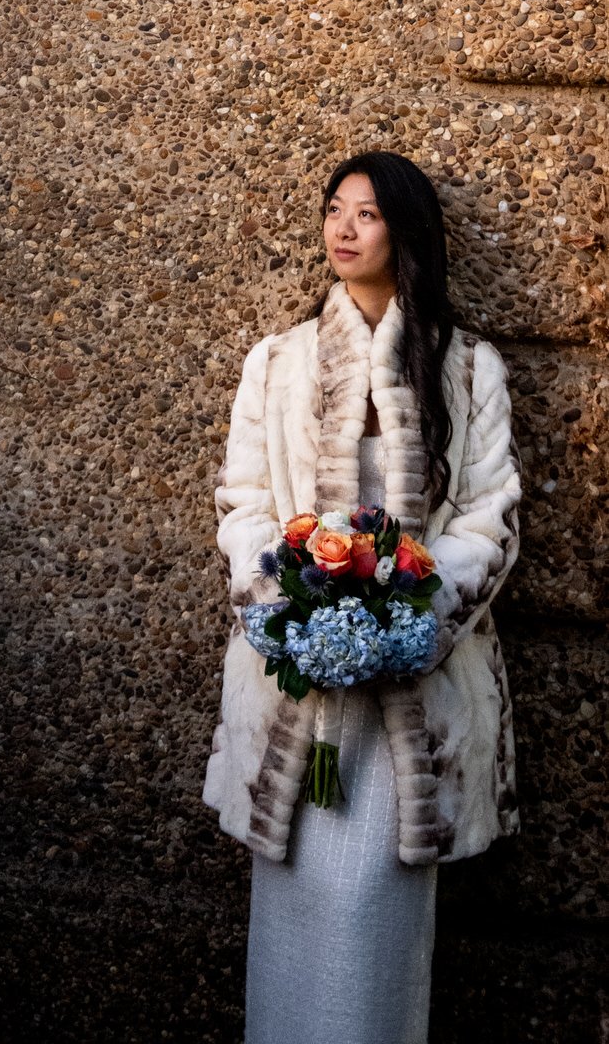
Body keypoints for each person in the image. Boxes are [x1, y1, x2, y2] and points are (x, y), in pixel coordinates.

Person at [202, 150, 522, 1044]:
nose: (343, 229)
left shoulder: (465, 369)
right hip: (294, 690)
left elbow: (491, 516)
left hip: (415, 691)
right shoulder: (278, 362)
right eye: (333, 210)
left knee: (377, 899)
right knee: (296, 889)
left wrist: (406, 624)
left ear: (406, 231)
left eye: (367, 214)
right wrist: (287, 612)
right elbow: (243, 503)